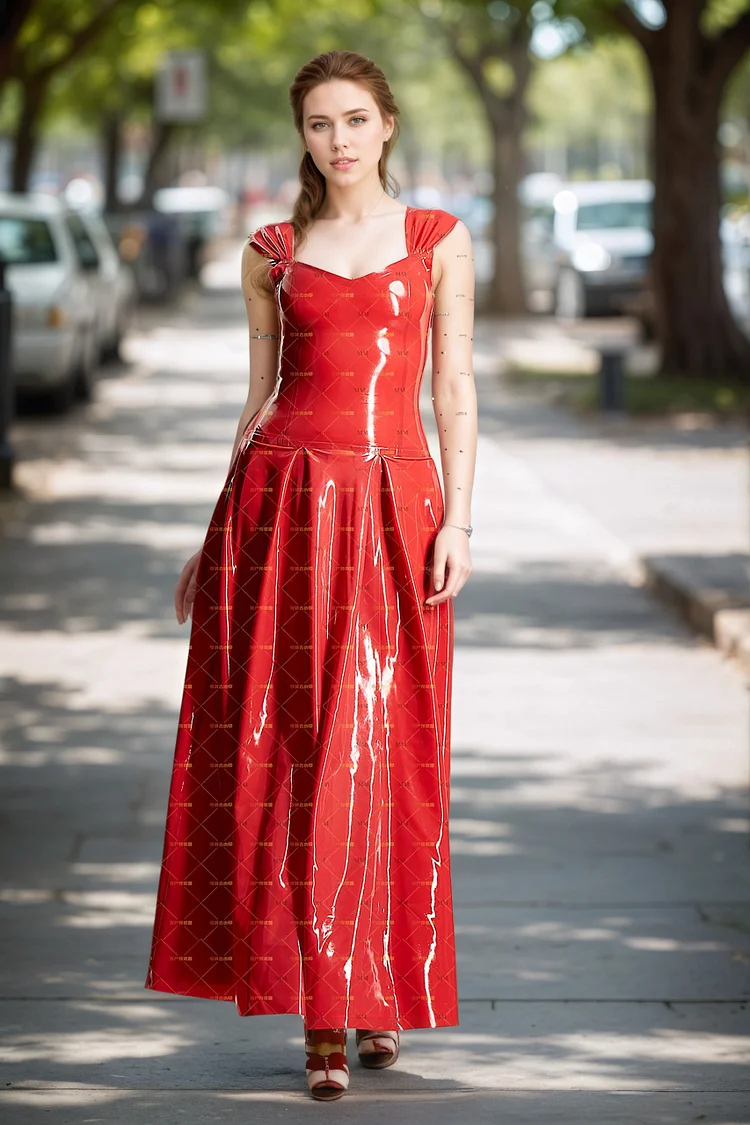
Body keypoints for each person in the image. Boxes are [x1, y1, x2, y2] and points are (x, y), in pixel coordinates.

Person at [145, 48, 478, 1102]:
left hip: (391, 508)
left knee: (383, 750)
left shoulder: (437, 242)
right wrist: (214, 537)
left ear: (387, 126)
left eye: (354, 119)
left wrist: (460, 521)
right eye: (319, 124)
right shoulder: (270, 250)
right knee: (294, 751)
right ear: (304, 137)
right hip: (281, 508)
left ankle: (372, 989)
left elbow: (455, 389)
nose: (337, 139)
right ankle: (325, 1019)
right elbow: (256, 405)